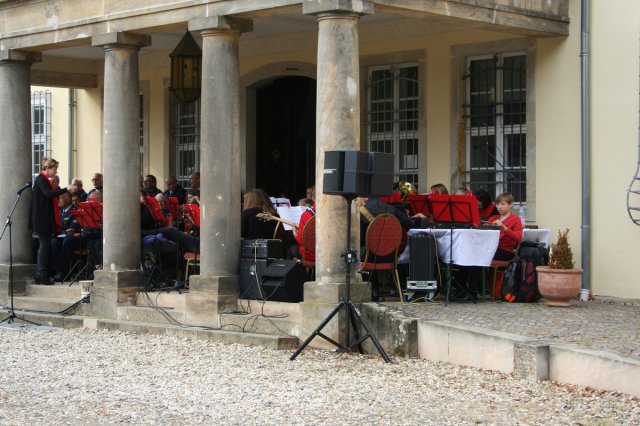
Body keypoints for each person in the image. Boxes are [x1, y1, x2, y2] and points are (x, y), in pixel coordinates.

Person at [30, 157, 68, 284]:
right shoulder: (41, 179)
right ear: (48, 168)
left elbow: (51, 192)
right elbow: (48, 194)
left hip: (43, 219)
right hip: (42, 220)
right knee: (44, 247)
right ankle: (41, 274)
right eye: (55, 168)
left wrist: (60, 189)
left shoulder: (43, 180)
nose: (56, 171)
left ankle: (41, 273)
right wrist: (66, 189)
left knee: (44, 246)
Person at [50, 192, 83, 282]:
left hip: (76, 238)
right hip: (62, 237)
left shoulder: (74, 210)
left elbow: (74, 228)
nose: (58, 200)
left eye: (61, 198)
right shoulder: (60, 212)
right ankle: (57, 271)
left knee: (67, 241)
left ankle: (64, 272)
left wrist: (67, 231)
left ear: (68, 199)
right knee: (53, 242)